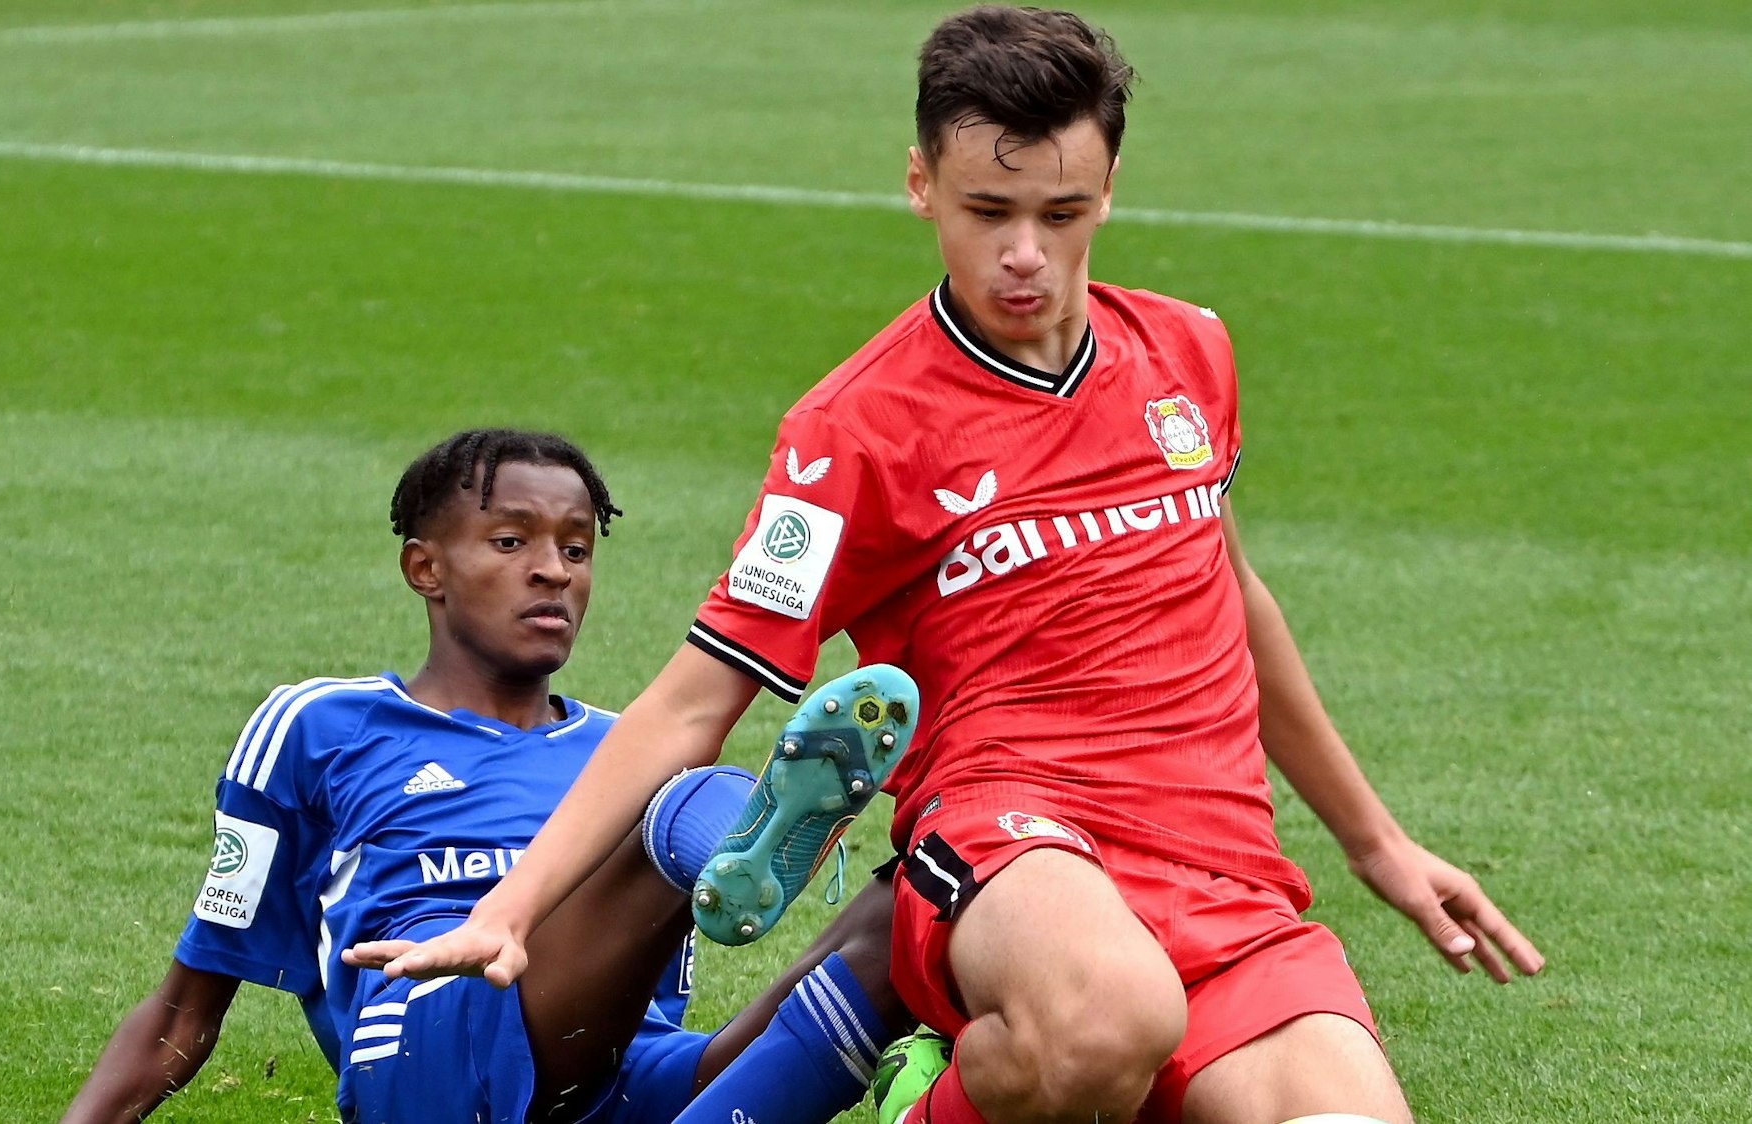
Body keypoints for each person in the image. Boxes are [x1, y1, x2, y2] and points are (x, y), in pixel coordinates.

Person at [366, 9, 1547, 1124]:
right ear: (921, 181)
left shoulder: (1188, 350)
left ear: (1108, 191)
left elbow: (1230, 593)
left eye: (1061, 212)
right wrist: (510, 907)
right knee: (1105, 1016)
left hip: (1220, 863)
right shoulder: (851, 429)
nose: (1025, 253)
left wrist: (1376, 842)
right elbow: (694, 692)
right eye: (987, 210)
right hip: (1009, 839)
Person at [62, 428, 905, 1124]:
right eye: (511, 542)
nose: (554, 571)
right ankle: (732, 830)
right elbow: (187, 1006)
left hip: (610, 1064)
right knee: (682, 804)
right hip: (426, 1046)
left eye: (576, 548)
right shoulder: (318, 725)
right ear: (425, 568)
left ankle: (835, 874)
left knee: (910, 908)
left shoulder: (621, 749)